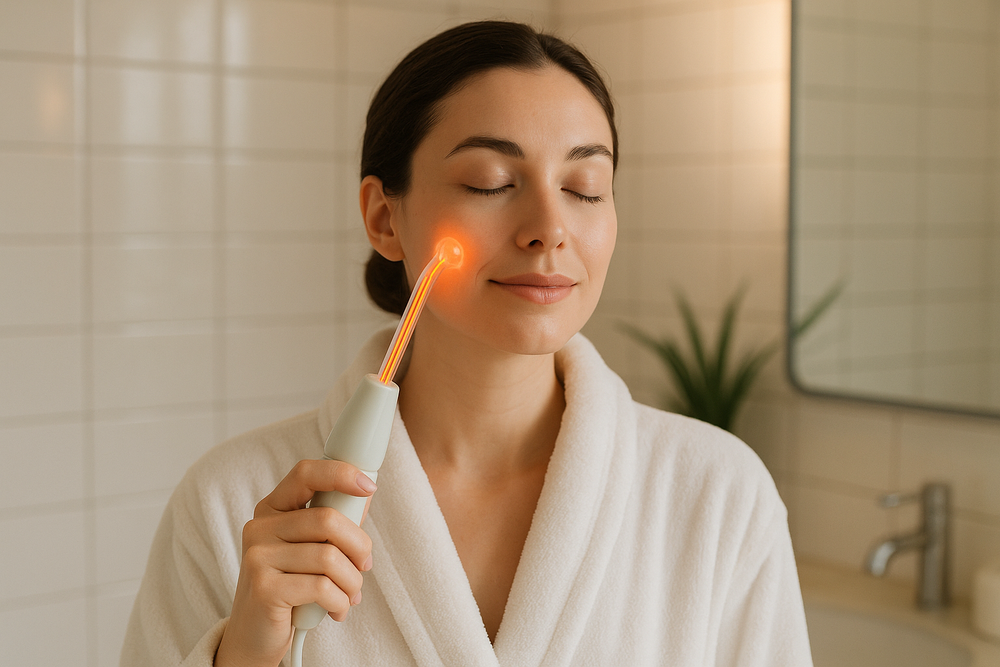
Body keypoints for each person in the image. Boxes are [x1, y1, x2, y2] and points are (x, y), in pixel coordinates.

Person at [122, 20, 812, 667]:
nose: (549, 227)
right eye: (491, 182)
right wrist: (243, 654)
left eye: (584, 187)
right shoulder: (228, 503)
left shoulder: (719, 494)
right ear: (384, 218)